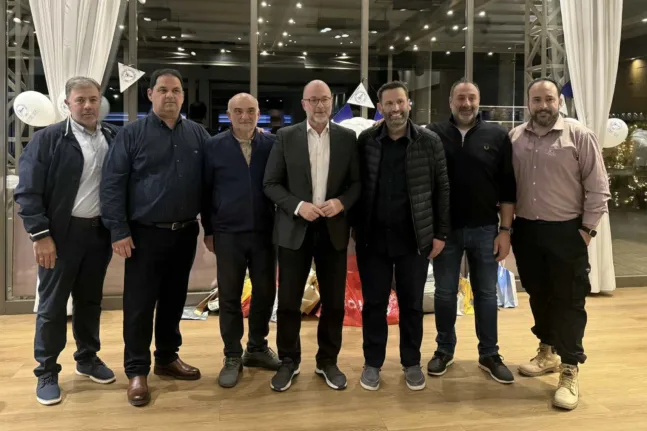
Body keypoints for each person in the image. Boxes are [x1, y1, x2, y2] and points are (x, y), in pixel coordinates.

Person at [101, 68, 210, 407]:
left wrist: (211, 228)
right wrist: (118, 230)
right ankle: (137, 371)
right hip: (143, 235)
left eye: (176, 90)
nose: (170, 96)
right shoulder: (131, 134)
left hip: (185, 232)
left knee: (174, 300)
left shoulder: (198, 135)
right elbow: (112, 184)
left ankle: (166, 357)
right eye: (163, 90)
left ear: (183, 96)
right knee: (139, 305)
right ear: (150, 95)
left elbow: (210, 186)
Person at [15, 76, 118, 406]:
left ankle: (87, 358)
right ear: (67, 104)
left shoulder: (112, 137)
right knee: (53, 306)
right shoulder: (48, 139)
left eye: (93, 99)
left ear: (100, 101)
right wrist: (40, 235)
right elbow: (28, 191)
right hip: (60, 236)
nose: (87, 106)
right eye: (80, 100)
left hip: (98, 234)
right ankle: (46, 370)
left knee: (90, 302)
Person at [509, 77, 610, 410]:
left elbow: (598, 188)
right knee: (539, 294)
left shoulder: (579, 135)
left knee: (569, 300)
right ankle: (547, 351)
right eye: (536, 100)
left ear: (559, 102)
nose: (543, 106)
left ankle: (569, 367)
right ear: (528, 103)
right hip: (527, 232)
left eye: (549, 99)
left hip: (568, 232)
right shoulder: (515, 138)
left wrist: (586, 231)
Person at [263, 80, 361, 392]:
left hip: (333, 230)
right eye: (313, 100)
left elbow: (358, 183)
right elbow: (270, 183)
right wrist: (298, 206)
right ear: (303, 104)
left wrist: (342, 202)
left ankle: (327, 361)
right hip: (295, 229)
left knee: (334, 303)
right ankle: (289, 361)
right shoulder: (285, 137)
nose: (319, 105)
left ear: (332, 102)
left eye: (324, 99)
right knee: (289, 302)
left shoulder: (347, 138)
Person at [354, 81, 450, 391]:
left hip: (414, 239)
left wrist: (440, 233)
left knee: (411, 305)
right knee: (374, 304)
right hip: (372, 239)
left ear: (409, 104)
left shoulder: (429, 141)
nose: (395, 109)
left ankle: (411, 362)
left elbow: (442, 189)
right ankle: (372, 363)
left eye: (400, 102)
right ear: (379, 108)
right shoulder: (366, 140)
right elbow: (357, 185)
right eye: (389, 104)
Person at [425, 79, 516, 384]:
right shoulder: (433, 134)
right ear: (450, 101)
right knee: (444, 293)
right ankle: (444, 350)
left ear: (479, 101)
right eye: (460, 98)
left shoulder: (498, 135)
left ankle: (489, 354)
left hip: (485, 229)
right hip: (445, 232)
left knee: (487, 294)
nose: (466, 104)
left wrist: (505, 230)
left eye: (472, 98)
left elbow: (508, 187)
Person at [201, 93, 280, 388]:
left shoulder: (273, 145)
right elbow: (205, 192)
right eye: (238, 111)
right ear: (228, 114)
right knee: (230, 295)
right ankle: (232, 355)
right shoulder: (213, 146)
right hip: (228, 233)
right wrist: (209, 230)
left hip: (265, 232)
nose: (244, 116)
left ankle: (257, 348)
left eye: (250, 111)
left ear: (258, 113)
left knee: (265, 292)